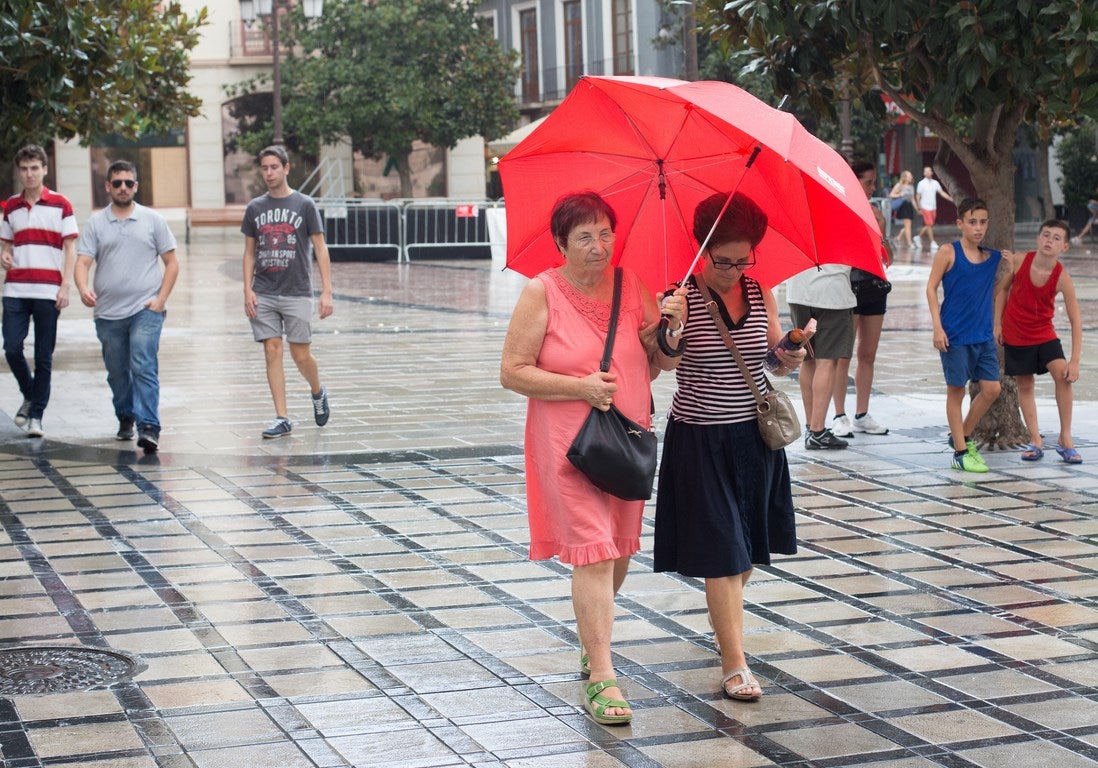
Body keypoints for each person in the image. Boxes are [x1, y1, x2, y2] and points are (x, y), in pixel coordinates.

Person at [500, 191, 687, 726]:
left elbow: (657, 364)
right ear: (561, 243)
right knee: (594, 552)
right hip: (567, 444)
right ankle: (603, 675)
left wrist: (671, 330)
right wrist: (578, 386)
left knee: (619, 550)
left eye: (605, 233)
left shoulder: (633, 287)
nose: (598, 245)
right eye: (584, 236)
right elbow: (512, 370)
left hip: (626, 439)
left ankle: (592, 639)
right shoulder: (542, 292)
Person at [653, 191, 804, 702]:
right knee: (723, 552)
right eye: (724, 261)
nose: (735, 270)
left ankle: (725, 626)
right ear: (703, 248)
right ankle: (734, 662)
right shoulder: (681, 296)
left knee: (744, 555)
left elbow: (772, 358)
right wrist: (669, 326)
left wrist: (794, 351)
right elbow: (666, 363)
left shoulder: (760, 290)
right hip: (699, 437)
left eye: (744, 259)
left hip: (753, 438)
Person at [74, 160, 179, 453]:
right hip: (107, 313)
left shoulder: (152, 220)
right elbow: (82, 263)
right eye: (117, 183)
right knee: (117, 371)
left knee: (143, 363)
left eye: (128, 183)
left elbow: (172, 263)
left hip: (145, 308)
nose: (123, 188)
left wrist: (160, 300)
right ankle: (125, 415)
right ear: (108, 187)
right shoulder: (96, 223)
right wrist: (83, 288)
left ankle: (149, 427)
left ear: (136, 186)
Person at [242, 145, 333, 439]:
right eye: (264, 168)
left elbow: (320, 247)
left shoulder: (304, 204)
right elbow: (248, 252)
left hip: (297, 289)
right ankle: (282, 417)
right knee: (272, 349)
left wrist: (327, 292)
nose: (268, 173)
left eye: (274, 167)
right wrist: (247, 290)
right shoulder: (255, 208)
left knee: (300, 355)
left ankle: (317, 391)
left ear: (286, 168)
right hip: (264, 290)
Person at [926, 198, 1011, 473]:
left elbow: (992, 292)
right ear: (960, 223)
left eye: (983, 222)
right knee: (956, 390)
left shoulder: (992, 257)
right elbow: (931, 289)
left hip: (983, 335)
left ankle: (960, 435)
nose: (978, 228)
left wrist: (1009, 272)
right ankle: (961, 452)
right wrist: (937, 328)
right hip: (954, 336)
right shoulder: (949, 252)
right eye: (972, 222)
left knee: (992, 388)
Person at [1, 144, 78, 439]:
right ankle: (31, 394)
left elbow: (71, 247)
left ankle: (36, 416)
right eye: (24, 169)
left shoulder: (61, 204)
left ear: (45, 169)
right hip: (16, 288)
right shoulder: (11, 206)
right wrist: (4, 254)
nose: (29, 174)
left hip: (48, 290)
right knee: (11, 347)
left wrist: (65, 285)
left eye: (35, 168)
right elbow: (7, 243)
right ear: (19, 171)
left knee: (44, 356)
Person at [995, 219, 1083, 464]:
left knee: (1063, 375)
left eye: (1056, 238)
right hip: (1015, 334)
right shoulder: (1021, 260)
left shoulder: (1062, 277)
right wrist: (997, 324)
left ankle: (1065, 438)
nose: (1049, 241)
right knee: (1025, 386)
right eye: (1046, 235)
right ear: (1038, 238)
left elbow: (1076, 320)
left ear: (1064, 247)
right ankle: (1035, 440)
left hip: (1044, 333)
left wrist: (1075, 361)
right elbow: (1002, 290)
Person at [832, 159, 892, 439]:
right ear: (855, 181)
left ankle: (862, 413)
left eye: (873, 182)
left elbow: (886, 258)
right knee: (842, 355)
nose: (872, 187)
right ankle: (839, 414)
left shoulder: (876, 213)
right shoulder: (842, 208)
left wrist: (880, 233)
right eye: (868, 182)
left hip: (875, 287)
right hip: (849, 288)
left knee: (867, 353)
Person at [785, 259, 854, 450]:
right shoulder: (850, 227)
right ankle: (817, 431)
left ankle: (811, 426)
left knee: (807, 359)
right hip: (833, 293)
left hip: (798, 291)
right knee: (826, 362)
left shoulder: (801, 227)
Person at [915, 166, 953, 252]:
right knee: (929, 224)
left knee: (930, 225)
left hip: (933, 207)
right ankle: (932, 242)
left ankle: (918, 237)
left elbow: (941, 192)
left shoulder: (935, 183)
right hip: (925, 206)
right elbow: (917, 195)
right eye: (926, 171)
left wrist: (951, 199)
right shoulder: (921, 183)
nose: (928, 173)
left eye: (929, 171)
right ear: (924, 173)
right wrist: (919, 207)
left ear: (932, 172)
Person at [888, 170, 916, 250]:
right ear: (905, 177)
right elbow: (891, 195)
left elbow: (913, 199)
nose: (911, 177)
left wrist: (917, 208)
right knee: (908, 225)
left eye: (911, 176)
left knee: (908, 225)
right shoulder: (899, 185)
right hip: (903, 205)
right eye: (909, 176)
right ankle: (910, 243)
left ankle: (898, 238)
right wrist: (900, 194)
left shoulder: (911, 186)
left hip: (909, 205)